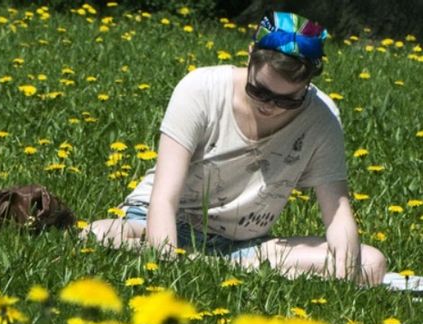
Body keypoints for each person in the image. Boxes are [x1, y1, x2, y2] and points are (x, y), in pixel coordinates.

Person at [86, 11, 394, 287]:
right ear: (249, 56)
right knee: (97, 235)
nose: (270, 106)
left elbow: (337, 213)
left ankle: (213, 265)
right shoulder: (200, 89)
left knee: (370, 263)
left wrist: (345, 275)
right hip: (155, 223)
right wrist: (164, 264)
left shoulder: (322, 118)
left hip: (241, 245)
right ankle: (217, 266)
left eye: (288, 100)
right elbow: (164, 198)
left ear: (308, 83)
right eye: (259, 91)